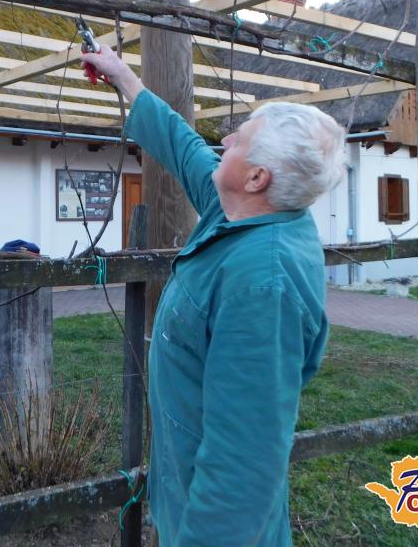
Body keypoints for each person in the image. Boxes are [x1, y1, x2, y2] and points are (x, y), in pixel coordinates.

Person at [81, 46, 346, 546]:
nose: (223, 140)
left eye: (238, 140)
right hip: (184, 494)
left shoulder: (263, 286)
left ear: (256, 177)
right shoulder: (243, 212)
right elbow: (185, 148)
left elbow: (242, 466)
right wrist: (124, 78)